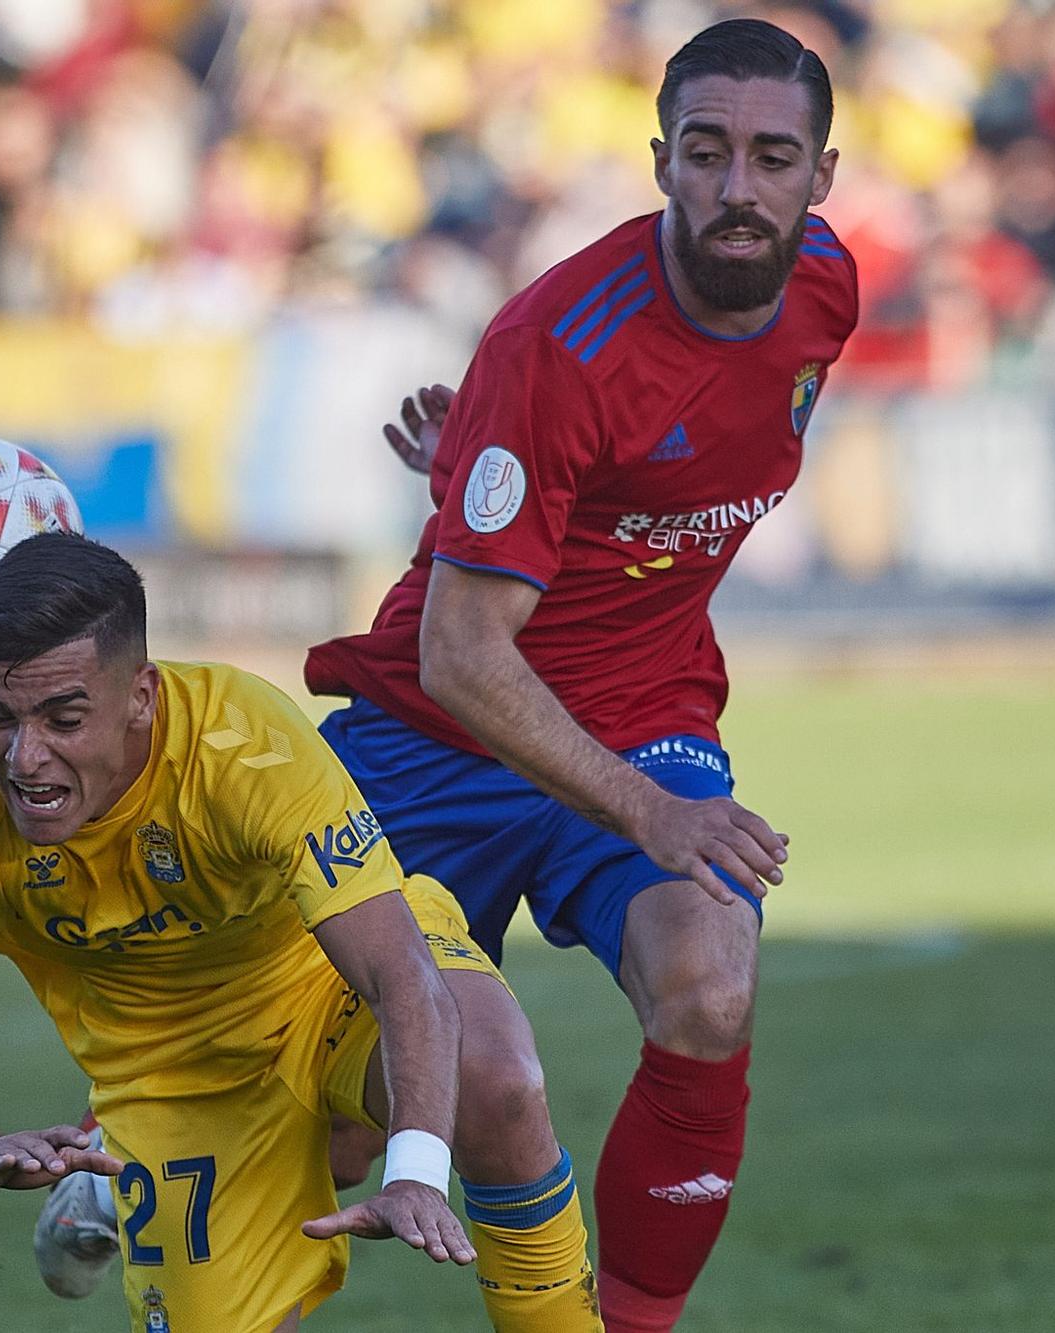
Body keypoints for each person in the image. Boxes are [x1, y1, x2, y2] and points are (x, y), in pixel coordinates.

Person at [304, 19, 857, 1331]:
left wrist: (495, 470)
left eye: (772, 157)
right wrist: (506, 441)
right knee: (322, 1117)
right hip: (431, 731)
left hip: (648, 707)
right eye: (707, 153)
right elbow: (460, 648)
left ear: (820, 179)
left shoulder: (827, 293)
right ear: (659, 158)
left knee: (710, 985)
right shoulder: (560, 345)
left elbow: (645, 483)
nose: (739, 187)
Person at [0, 533, 602, 1333]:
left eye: (64, 718)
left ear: (142, 696)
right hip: (173, 1076)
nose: (25, 756)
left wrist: (421, 1172)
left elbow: (400, 973)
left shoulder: (244, 743)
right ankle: (118, 1176)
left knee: (495, 1080)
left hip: (323, 984)